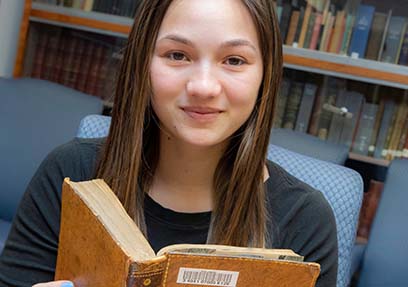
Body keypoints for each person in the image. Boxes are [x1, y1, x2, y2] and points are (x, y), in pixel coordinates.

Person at [0, 0, 338, 286]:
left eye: (234, 60)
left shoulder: (304, 218)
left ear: (265, 75)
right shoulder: (70, 173)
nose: (203, 87)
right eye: (177, 55)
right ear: (142, 63)